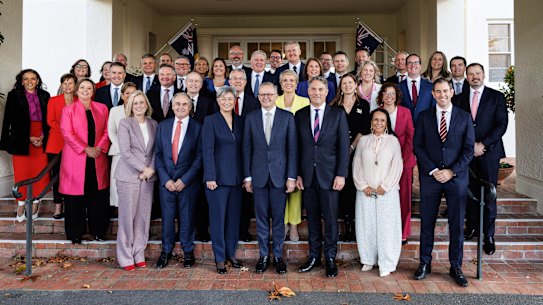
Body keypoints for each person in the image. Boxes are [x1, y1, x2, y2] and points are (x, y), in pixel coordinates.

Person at [413, 78, 474, 287]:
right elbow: (418, 147)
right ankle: (424, 263)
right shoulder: (423, 117)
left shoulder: (464, 118)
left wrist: (451, 171)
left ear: (451, 92)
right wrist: (433, 169)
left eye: (445, 91)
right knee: (427, 223)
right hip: (430, 178)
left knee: (456, 224)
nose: (442, 95)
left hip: (456, 179)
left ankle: (455, 265)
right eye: (438, 92)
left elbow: (468, 150)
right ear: (433, 94)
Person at [296, 76, 349, 278]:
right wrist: (298, 174)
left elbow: (344, 148)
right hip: (308, 177)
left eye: (320, 89)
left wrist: (341, 174)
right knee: (312, 220)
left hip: (330, 177)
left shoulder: (337, 114)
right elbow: (297, 148)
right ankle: (313, 257)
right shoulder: (299, 115)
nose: (317, 92)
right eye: (313, 89)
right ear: (308, 92)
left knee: (331, 220)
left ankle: (330, 258)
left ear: (327, 92)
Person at [453, 63, 508, 256]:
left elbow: (501, 125)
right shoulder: (458, 99)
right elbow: (455, 125)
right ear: (466, 77)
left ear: (484, 75)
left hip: (489, 152)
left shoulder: (496, 97)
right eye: (471, 74)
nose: (474, 76)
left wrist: (483, 144)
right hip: (466, 153)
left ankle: (489, 235)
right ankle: (472, 226)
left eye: (478, 73)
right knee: (467, 191)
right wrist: (469, 147)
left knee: (489, 193)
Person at [243, 82, 297, 274]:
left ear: (276, 95)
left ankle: (278, 256)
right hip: (258, 177)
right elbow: (247, 148)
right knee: (262, 218)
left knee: (279, 218)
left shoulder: (287, 117)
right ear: (258, 96)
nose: (266, 97)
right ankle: (264, 255)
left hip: (280, 177)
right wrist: (247, 177)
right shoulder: (251, 118)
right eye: (262, 94)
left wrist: (291, 177)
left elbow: (292, 149)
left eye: (270, 94)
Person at [154, 92, 203, 269]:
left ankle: (187, 251)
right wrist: (166, 179)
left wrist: (185, 180)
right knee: (167, 218)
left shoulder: (198, 127)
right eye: (177, 104)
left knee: (187, 218)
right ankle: (166, 251)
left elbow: (200, 157)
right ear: (172, 106)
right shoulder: (163, 126)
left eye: (185, 104)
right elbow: (157, 155)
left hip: (188, 183)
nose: (181, 107)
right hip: (166, 182)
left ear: (190, 107)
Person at [353, 108, 403, 277]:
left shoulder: (393, 141)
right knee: (366, 224)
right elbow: (357, 164)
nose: (379, 123)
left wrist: (385, 186)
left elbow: (397, 165)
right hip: (365, 190)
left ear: (387, 123)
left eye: (382, 120)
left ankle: (386, 262)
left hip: (386, 192)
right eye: (376, 120)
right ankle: (368, 258)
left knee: (386, 227)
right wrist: (363, 185)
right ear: (371, 122)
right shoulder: (364, 141)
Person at [59, 78, 110, 244]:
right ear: (76, 90)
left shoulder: (102, 108)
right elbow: (67, 133)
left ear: (93, 91)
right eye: (82, 88)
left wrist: (99, 148)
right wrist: (85, 148)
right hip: (76, 159)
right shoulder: (68, 110)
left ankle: (98, 231)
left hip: (97, 158)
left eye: (89, 88)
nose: (86, 90)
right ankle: (75, 233)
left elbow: (107, 131)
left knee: (97, 196)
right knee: (75, 199)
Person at [203, 86, 245, 274]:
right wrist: (210, 176)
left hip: (236, 179)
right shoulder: (210, 121)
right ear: (218, 101)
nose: (227, 102)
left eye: (230, 98)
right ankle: (219, 257)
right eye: (223, 99)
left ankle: (230, 253)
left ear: (235, 100)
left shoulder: (240, 121)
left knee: (233, 219)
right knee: (218, 219)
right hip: (217, 179)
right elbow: (208, 150)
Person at [115, 90, 158, 271]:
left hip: (147, 178)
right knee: (127, 218)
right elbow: (126, 152)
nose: (139, 106)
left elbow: (156, 150)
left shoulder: (153, 124)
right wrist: (143, 168)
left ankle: (138, 251)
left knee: (142, 217)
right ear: (130, 106)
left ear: (147, 104)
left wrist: (151, 170)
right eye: (135, 103)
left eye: (142, 102)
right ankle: (125, 256)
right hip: (128, 176)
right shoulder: (125, 123)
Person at [0, 69, 51, 222]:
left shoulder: (45, 96)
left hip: (41, 137)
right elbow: (8, 120)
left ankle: (35, 202)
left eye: (33, 78)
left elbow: (49, 119)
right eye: (26, 79)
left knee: (41, 173)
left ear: (38, 81)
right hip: (21, 138)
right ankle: (21, 203)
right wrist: (23, 138)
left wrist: (42, 136)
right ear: (21, 81)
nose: (30, 81)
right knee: (22, 172)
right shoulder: (14, 95)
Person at [330, 73, 371, 242]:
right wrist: (342, 150)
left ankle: (356, 227)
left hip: (358, 152)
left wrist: (351, 147)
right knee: (343, 190)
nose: (347, 85)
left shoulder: (364, 105)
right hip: (337, 153)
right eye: (344, 83)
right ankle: (347, 227)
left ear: (356, 85)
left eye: (350, 82)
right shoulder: (333, 106)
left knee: (355, 188)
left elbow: (363, 129)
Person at [378, 83, 416, 244]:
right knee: (384, 196)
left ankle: (403, 231)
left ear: (397, 96)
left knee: (404, 196)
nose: (389, 96)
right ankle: (386, 230)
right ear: (381, 95)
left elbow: (410, 136)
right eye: (386, 93)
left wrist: (401, 157)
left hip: (404, 160)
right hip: (382, 162)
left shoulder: (405, 112)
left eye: (392, 93)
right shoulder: (376, 113)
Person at [275, 70, 309, 242]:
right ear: (280, 84)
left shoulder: (305, 102)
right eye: (285, 80)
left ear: (297, 84)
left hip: (299, 150)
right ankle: (283, 224)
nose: (288, 83)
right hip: (278, 152)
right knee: (280, 189)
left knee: (295, 189)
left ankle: (294, 225)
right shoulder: (274, 101)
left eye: (292, 80)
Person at [228, 68, 259, 241]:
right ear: (229, 81)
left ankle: (243, 230)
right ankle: (230, 229)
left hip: (249, 154)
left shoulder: (254, 102)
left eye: (241, 79)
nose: (238, 81)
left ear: (246, 82)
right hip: (227, 156)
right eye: (234, 78)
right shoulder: (222, 100)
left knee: (246, 196)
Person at [46, 73, 77, 219]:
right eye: (64, 83)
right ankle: (58, 206)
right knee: (57, 175)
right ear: (61, 85)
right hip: (56, 143)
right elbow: (50, 121)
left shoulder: (80, 100)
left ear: (75, 85)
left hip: (76, 144)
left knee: (73, 175)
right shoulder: (53, 100)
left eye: (70, 83)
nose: (67, 86)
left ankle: (73, 205)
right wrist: (66, 132)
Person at [108, 82, 137, 209]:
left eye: (133, 93)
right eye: (127, 93)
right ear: (122, 95)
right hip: (119, 152)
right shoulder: (114, 110)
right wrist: (122, 148)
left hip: (137, 154)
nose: (130, 96)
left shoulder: (141, 109)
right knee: (117, 184)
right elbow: (111, 132)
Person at [399, 54, 436, 123]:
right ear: (406, 66)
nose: (413, 65)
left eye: (416, 62)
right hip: (405, 126)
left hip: (425, 126)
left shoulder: (430, 86)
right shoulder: (398, 87)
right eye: (410, 63)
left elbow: (434, 108)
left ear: (420, 66)